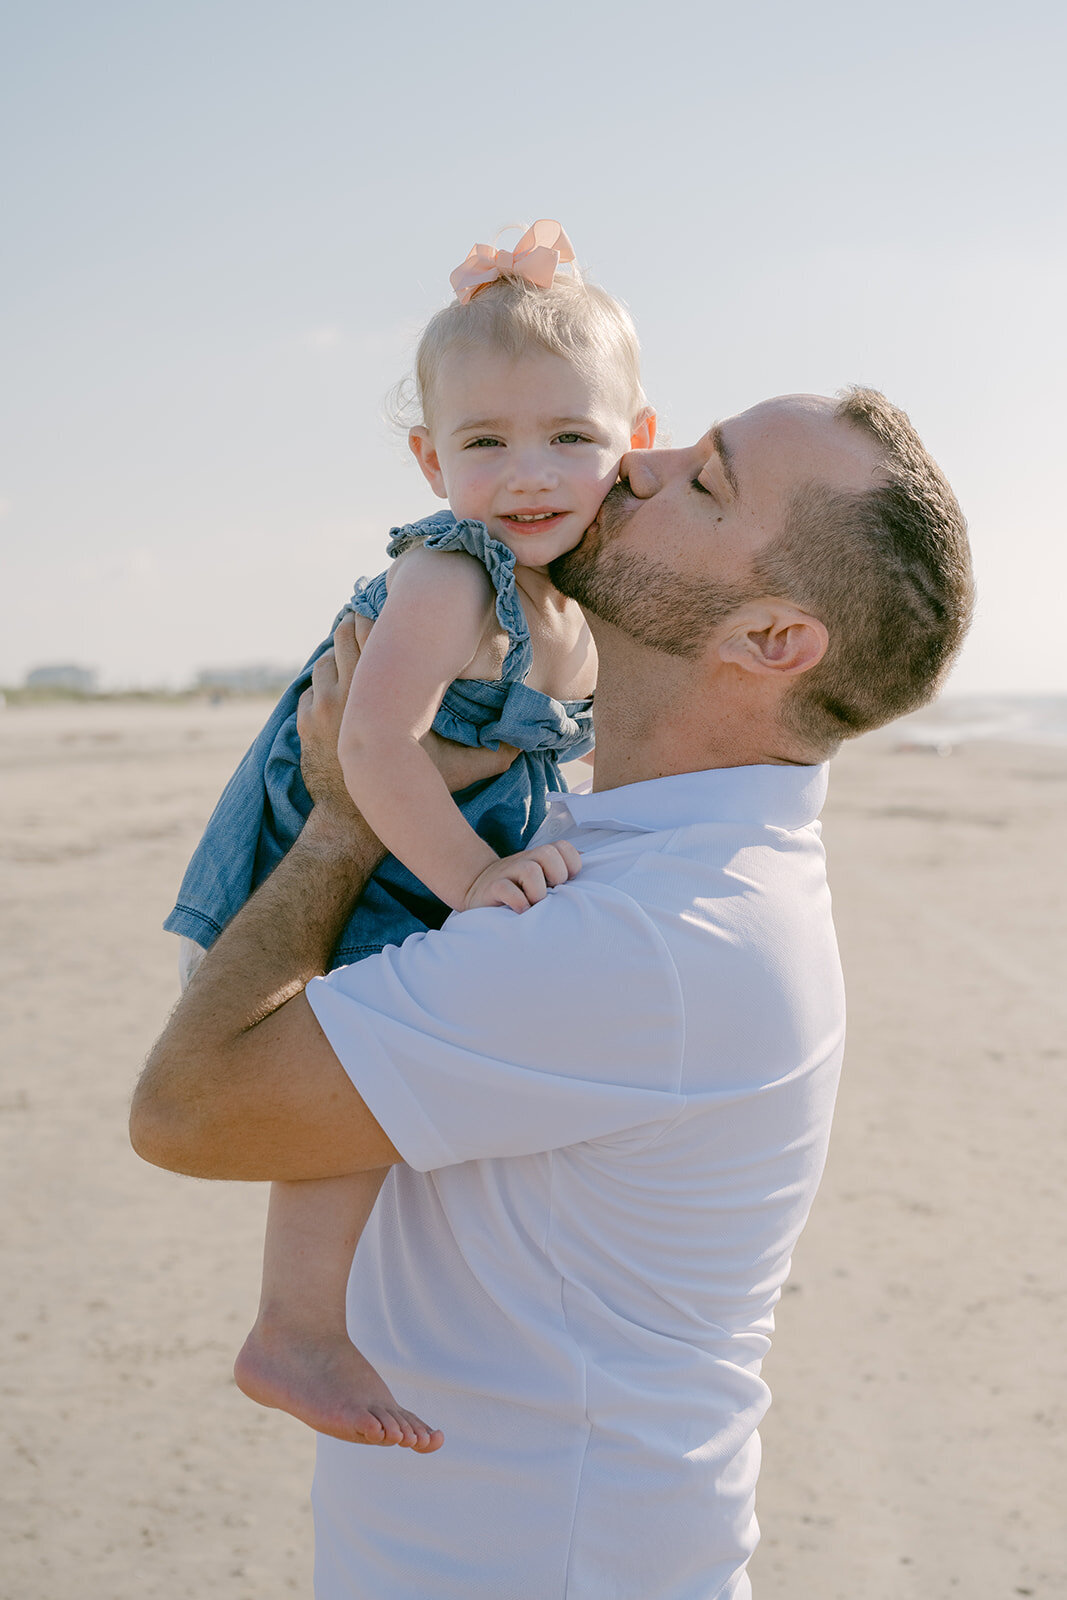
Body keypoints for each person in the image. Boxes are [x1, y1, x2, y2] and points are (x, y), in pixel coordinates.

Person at [131, 386, 973, 1600]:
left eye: (703, 480)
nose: (637, 462)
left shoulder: (650, 938)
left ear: (771, 638)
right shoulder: (620, 857)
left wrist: (338, 826)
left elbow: (188, 1110)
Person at [163, 221, 656, 1451]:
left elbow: (539, 742)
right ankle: (292, 1328)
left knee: (381, 1097)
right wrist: (475, 878)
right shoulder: (455, 575)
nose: (528, 470)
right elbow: (370, 751)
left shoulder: (571, 597)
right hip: (340, 855)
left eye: (569, 436)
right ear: (431, 459)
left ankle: (312, 1320)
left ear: (633, 443)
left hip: (415, 849)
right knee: (350, 1096)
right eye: (485, 442)